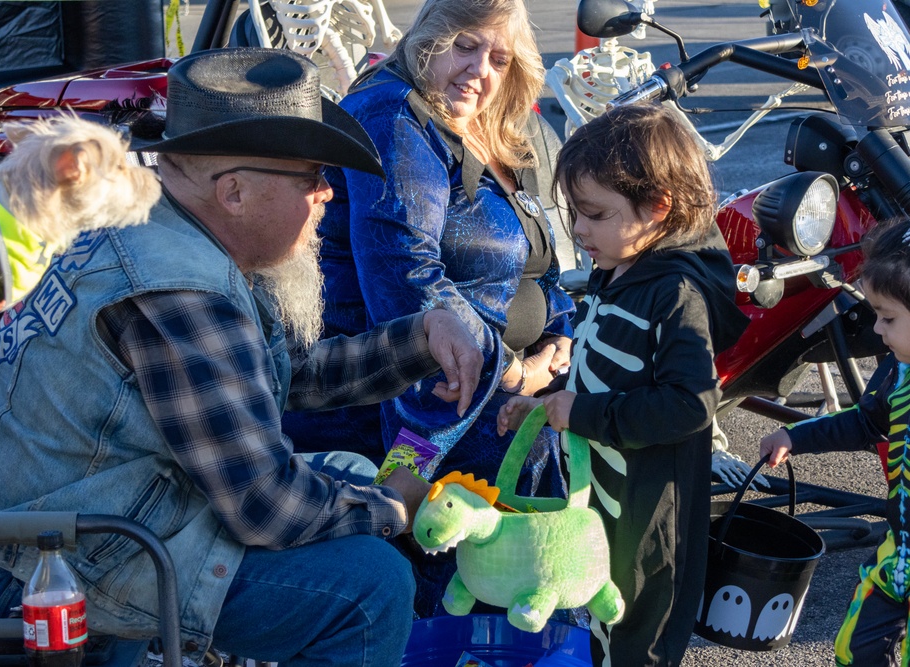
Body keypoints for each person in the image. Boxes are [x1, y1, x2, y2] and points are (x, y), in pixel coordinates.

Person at [0, 48, 484, 666]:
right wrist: (393, 505)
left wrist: (420, 337)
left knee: (344, 506)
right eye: (311, 176)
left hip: (66, 530)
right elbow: (267, 507)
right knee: (368, 585)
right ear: (233, 190)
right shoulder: (180, 291)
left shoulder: (162, 227)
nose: (326, 195)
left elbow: (288, 373)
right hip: (62, 566)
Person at [279, 0, 576, 617]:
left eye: (499, 57)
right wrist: (514, 373)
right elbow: (409, 292)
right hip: (423, 415)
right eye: (465, 45)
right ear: (428, 38)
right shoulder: (395, 116)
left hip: (503, 390)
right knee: (481, 612)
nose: (480, 71)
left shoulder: (480, 123)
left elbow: (538, 262)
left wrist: (561, 336)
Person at [496, 104, 749, 666]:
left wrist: (581, 413)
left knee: (636, 645)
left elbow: (691, 404)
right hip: (606, 513)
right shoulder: (619, 263)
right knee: (603, 634)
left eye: (595, 214)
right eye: (575, 213)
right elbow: (601, 362)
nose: (579, 229)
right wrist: (542, 403)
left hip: (648, 528)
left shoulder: (676, 295)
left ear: (657, 209)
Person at [759, 217, 910, 666]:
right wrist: (794, 434)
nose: (877, 331)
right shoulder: (897, 371)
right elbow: (864, 423)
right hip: (897, 556)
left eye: (887, 318)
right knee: (853, 648)